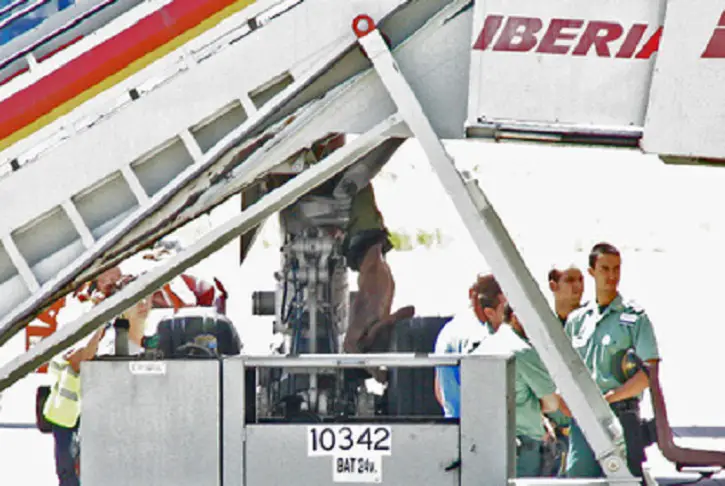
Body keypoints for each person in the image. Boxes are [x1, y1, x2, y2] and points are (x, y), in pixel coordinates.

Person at [43, 267, 149, 486]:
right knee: (74, 479)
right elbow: (79, 359)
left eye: (118, 276)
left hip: (104, 417)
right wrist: (100, 317)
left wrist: (134, 308)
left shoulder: (120, 317)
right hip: (71, 417)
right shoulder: (74, 312)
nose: (114, 280)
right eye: (108, 275)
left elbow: (134, 348)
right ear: (93, 279)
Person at [563, 242, 661, 479]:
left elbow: (649, 373)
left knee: (624, 481)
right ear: (591, 272)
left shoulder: (635, 318)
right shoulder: (577, 320)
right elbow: (564, 369)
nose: (612, 276)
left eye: (616, 269)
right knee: (579, 480)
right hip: (584, 420)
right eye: (605, 269)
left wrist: (610, 397)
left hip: (622, 416)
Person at [473, 303, 562, 477]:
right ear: (515, 316)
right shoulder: (522, 351)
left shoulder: (483, 348)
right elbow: (552, 403)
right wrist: (535, 409)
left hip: (486, 445)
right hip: (522, 448)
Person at [433, 273, 507, 418]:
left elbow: (439, 390)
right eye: (506, 309)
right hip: (482, 428)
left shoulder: (449, 330)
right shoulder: (482, 338)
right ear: (490, 311)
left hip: (454, 427)